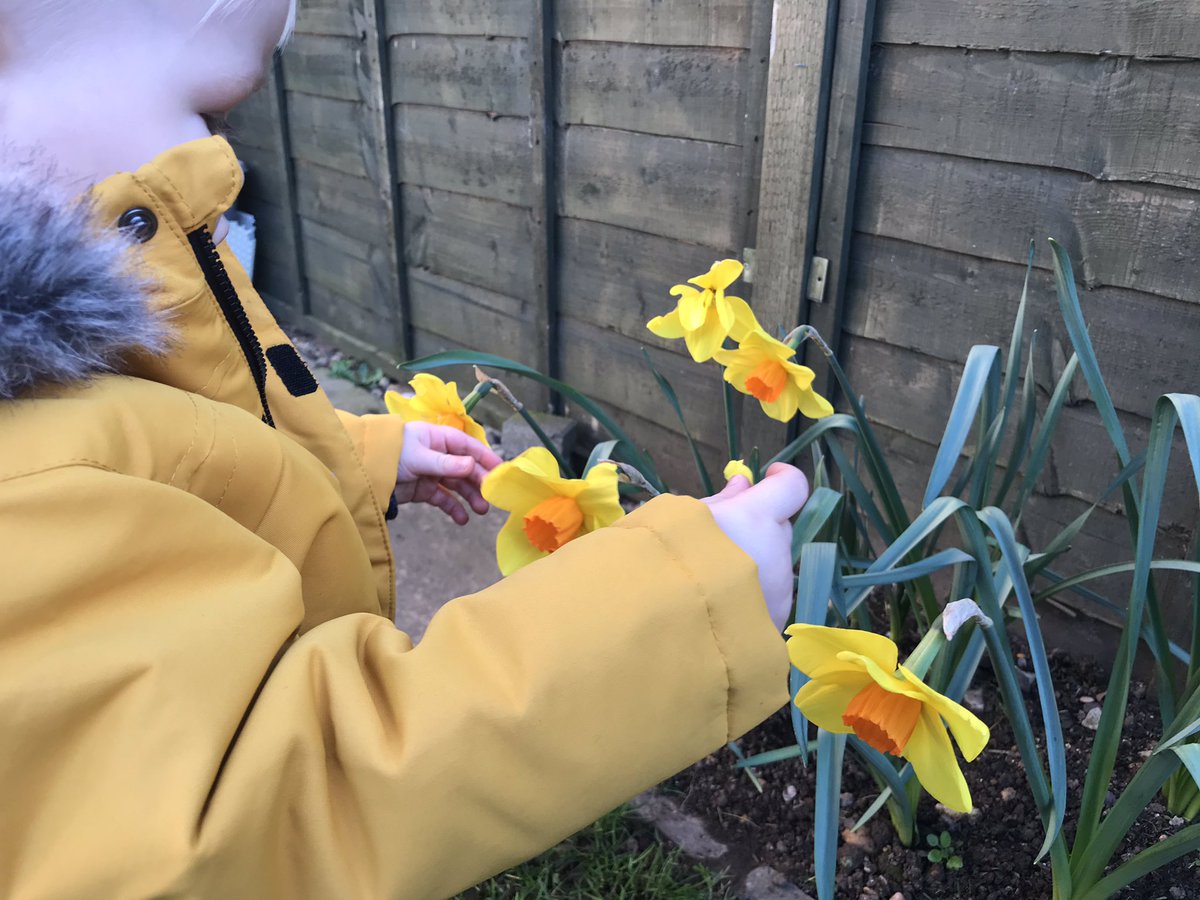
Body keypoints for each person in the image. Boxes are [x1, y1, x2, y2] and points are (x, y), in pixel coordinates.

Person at [0, 1, 810, 897]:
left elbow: (166, 449)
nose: (224, 169)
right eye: (211, 113)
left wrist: (361, 458)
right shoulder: (25, 505)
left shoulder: (45, 413)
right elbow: (287, 815)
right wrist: (683, 604)